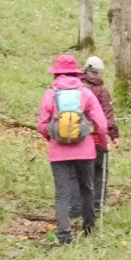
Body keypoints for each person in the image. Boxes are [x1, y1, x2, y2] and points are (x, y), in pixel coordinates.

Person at [36, 54, 109, 243]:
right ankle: (89, 227)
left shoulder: (50, 94)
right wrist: (102, 141)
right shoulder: (85, 93)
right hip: (85, 151)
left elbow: (42, 125)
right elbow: (100, 122)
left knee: (62, 193)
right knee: (87, 188)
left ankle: (64, 234)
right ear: (76, 73)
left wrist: (52, 137)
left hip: (58, 153)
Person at [81, 56, 119, 218]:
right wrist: (114, 135)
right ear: (100, 73)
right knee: (100, 170)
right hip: (96, 138)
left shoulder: (77, 86)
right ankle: (98, 205)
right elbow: (107, 116)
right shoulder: (101, 91)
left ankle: (79, 206)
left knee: (81, 172)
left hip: (78, 138)